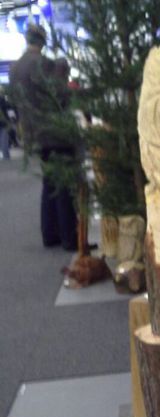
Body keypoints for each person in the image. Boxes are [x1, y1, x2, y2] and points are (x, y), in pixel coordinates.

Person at [9, 24, 78, 250]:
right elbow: (59, 95)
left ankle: (50, 234)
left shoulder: (15, 68)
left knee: (49, 183)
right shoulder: (44, 63)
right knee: (64, 183)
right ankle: (70, 237)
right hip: (54, 131)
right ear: (42, 40)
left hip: (33, 134)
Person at [0, 87, 11, 160]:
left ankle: (5, 154)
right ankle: (6, 155)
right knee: (4, 139)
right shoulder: (4, 101)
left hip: (3, 121)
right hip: (4, 122)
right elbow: (9, 110)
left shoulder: (4, 100)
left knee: (3, 139)